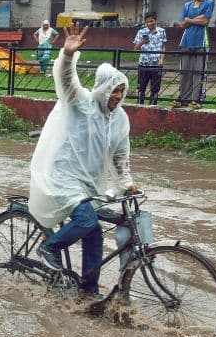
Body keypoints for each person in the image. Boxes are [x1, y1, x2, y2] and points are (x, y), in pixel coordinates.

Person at [29, 25, 140, 301]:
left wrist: (127, 185)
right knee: (87, 218)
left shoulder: (120, 120)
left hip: (88, 183)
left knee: (95, 236)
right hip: (63, 176)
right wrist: (67, 55)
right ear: (103, 88)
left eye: (121, 91)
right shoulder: (81, 103)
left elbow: (120, 157)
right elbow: (67, 81)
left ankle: (88, 292)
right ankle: (49, 248)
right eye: (113, 90)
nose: (116, 96)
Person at [173, 0, 213, 109]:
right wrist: (196, 19)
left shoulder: (209, 2)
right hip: (186, 41)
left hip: (201, 42)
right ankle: (183, 99)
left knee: (198, 72)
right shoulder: (187, 5)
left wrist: (189, 20)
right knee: (185, 71)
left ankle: (197, 99)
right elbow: (180, 24)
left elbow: (205, 21)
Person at [133, 12, 167, 105]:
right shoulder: (141, 32)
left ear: (155, 21)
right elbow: (135, 48)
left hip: (156, 64)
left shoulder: (162, 31)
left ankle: (152, 108)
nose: (149, 24)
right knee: (141, 88)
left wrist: (161, 59)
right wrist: (142, 42)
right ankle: (140, 107)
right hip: (143, 64)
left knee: (155, 89)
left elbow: (163, 47)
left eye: (151, 21)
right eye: (147, 22)